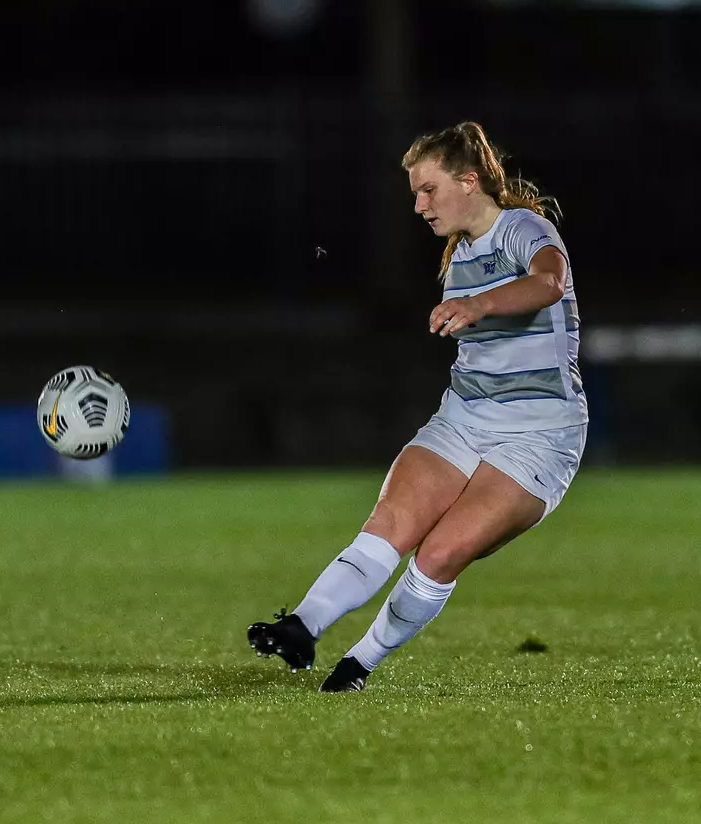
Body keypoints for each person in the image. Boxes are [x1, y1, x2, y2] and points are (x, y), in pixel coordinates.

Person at [247, 121, 587, 691]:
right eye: (414, 194)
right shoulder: (458, 257)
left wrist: (480, 304)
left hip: (540, 433)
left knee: (440, 554)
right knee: (389, 526)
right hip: (464, 418)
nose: (419, 205)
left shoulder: (523, 228)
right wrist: (472, 304)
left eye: (428, 190)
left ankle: (360, 661)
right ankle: (303, 625)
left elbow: (549, 283)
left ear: (469, 181)